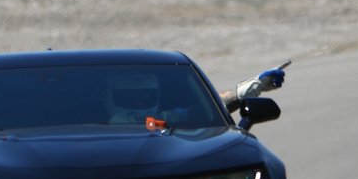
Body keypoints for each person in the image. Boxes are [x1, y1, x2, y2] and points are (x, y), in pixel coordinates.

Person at [103, 63, 288, 124]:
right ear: (107, 99)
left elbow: (209, 107)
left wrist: (251, 88)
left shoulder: (169, 123)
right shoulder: (83, 127)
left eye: (146, 97)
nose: (139, 104)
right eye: (129, 98)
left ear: (157, 97)